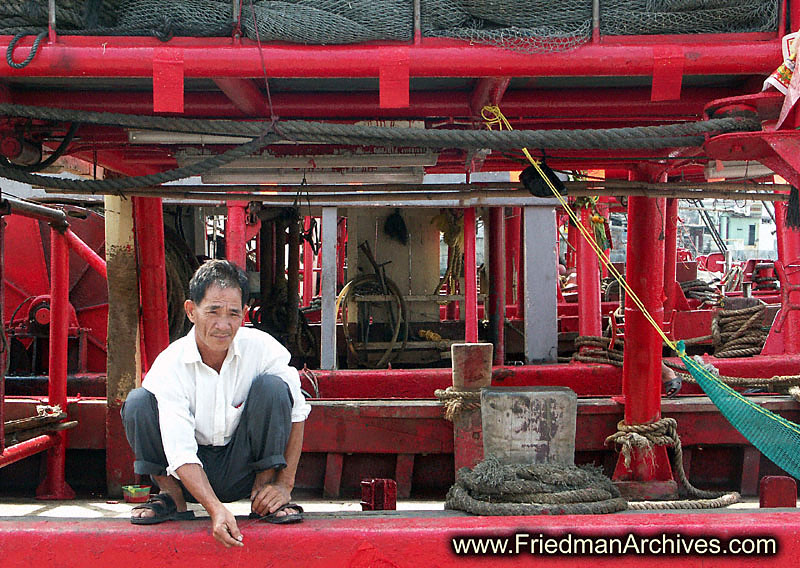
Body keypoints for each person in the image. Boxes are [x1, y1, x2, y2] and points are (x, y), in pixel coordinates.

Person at [121, 259, 310, 548]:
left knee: (273, 388)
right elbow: (180, 451)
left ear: (244, 314)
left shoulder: (263, 350)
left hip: (243, 465)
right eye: (213, 311)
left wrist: (284, 485)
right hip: (187, 472)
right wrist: (215, 509)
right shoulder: (171, 365)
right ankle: (172, 497)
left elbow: (298, 414)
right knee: (138, 402)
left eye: (233, 313)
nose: (223, 325)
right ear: (191, 311)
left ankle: (264, 495)